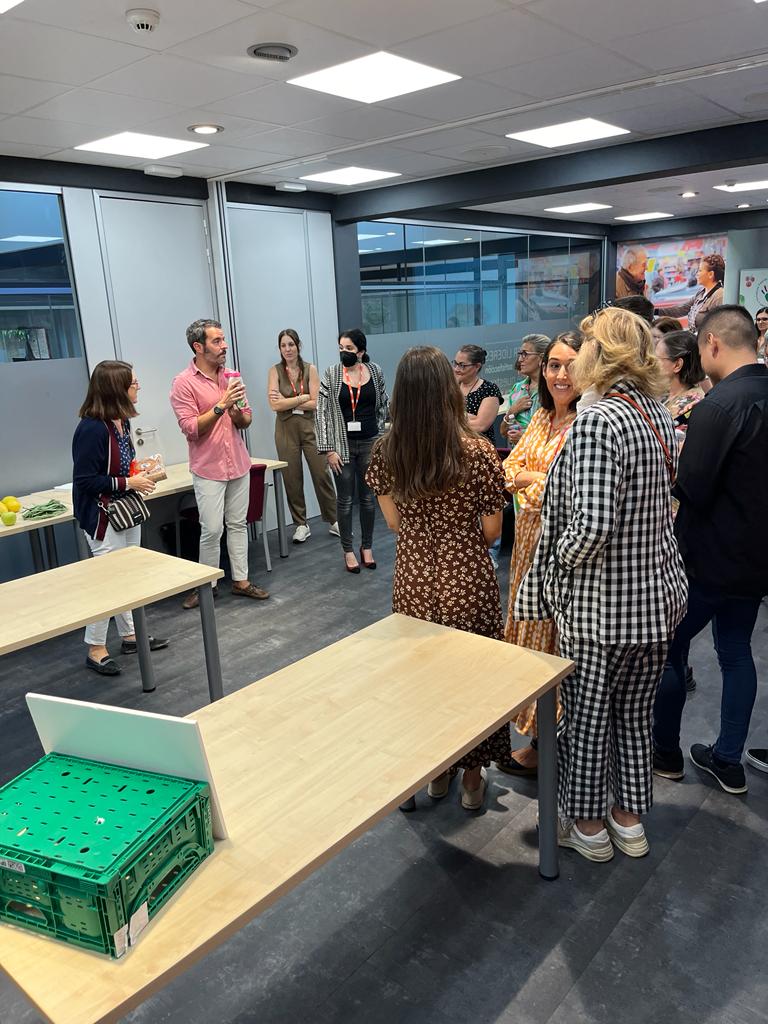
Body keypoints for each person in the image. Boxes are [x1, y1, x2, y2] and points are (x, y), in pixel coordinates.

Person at [516, 307, 687, 862]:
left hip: (601, 607)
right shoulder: (655, 412)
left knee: (588, 720)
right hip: (655, 599)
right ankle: (628, 821)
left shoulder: (598, 421)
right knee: (634, 717)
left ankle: (589, 826)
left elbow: (592, 525)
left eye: (586, 345)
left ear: (601, 354)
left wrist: (556, 563)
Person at [366, 346, 509, 810]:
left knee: (422, 682)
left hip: (413, 581)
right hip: (466, 578)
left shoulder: (387, 451)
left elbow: (393, 522)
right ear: (449, 390)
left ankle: (435, 770)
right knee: (474, 680)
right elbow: (492, 531)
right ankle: (472, 777)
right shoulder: (478, 452)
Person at [652, 306, 768, 794]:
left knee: (669, 650)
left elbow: (692, 486)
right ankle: (728, 758)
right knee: (737, 652)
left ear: (713, 343)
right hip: (756, 560)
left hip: (705, 559)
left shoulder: (718, 406)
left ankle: (665, 753)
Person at [496, 331, 583, 777]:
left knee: (553, 644)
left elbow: (565, 495)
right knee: (528, 639)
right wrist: (532, 480)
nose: (560, 374)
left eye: (571, 365)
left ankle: (552, 742)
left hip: (562, 553)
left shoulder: (587, 424)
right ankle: (539, 738)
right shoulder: (543, 417)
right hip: (526, 550)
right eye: (554, 365)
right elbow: (507, 468)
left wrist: (529, 482)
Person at [72, 361, 168, 676]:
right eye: (133, 383)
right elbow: (85, 481)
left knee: (129, 576)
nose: (138, 387)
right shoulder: (91, 429)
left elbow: (121, 465)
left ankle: (130, 635)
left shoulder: (121, 421)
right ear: (117, 389)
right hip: (101, 515)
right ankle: (95, 648)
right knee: (108, 582)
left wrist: (142, 470)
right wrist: (130, 482)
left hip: (124, 510)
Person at [170, 319, 269, 609]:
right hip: (208, 468)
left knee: (237, 524)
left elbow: (246, 420)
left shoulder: (231, 376)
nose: (224, 346)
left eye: (224, 340)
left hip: (237, 462)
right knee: (212, 530)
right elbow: (190, 428)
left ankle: (241, 582)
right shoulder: (183, 383)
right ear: (198, 347)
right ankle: (207, 587)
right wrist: (221, 405)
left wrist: (236, 412)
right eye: (217, 341)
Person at [316, 328, 388, 574]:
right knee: (345, 500)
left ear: (361, 351)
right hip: (341, 445)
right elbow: (322, 412)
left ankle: (367, 547)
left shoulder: (375, 371)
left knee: (368, 499)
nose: (344, 352)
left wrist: (381, 436)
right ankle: (348, 550)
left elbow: (383, 404)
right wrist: (328, 449)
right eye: (341, 348)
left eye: (349, 348)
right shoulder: (332, 373)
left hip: (369, 442)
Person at [267, 329, 339, 544]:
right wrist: (302, 397)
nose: (287, 349)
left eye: (291, 344)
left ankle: (334, 520)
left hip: (310, 427)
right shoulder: (275, 371)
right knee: (292, 477)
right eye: (283, 345)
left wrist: (287, 401)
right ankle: (301, 524)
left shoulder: (310, 369)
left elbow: (316, 402)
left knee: (321, 474)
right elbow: (274, 405)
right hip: (285, 430)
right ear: (279, 349)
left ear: (298, 346)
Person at [500, 334, 549, 448]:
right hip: (516, 456)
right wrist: (512, 412)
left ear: (541, 357)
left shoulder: (552, 390)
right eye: (520, 354)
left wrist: (525, 438)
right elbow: (503, 432)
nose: (520, 359)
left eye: (525, 354)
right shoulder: (517, 389)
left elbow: (557, 434)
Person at [656, 329, 706, 440]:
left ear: (677, 365)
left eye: (657, 358)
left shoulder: (690, 405)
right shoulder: (664, 393)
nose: (651, 363)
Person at [656, 253, 725, 333]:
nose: (697, 274)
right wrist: (655, 311)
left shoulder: (719, 296)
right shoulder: (701, 293)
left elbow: (721, 328)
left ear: (710, 274)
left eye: (700, 270)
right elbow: (681, 309)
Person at [452, 345, 502, 445]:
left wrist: (453, 419)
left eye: (462, 365)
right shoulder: (451, 387)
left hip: (479, 447)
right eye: (455, 363)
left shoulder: (489, 389)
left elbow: (480, 425)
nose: (456, 369)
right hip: (453, 446)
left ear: (477, 366)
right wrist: (469, 417)